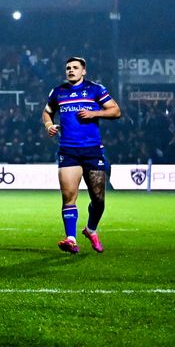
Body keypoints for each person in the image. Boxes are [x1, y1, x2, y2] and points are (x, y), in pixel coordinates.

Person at [41, 56, 122, 254]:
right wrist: (49, 125)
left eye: (75, 67)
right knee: (68, 196)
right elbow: (47, 112)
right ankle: (71, 239)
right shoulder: (58, 91)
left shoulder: (95, 89)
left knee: (99, 200)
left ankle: (91, 230)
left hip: (92, 151)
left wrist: (95, 113)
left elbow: (116, 111)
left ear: (83, 71)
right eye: (68, 67)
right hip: (68, 150)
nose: (71, 70)